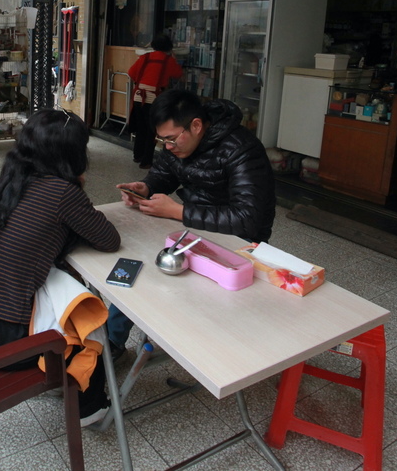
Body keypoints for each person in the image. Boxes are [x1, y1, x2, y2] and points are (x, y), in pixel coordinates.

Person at [0, 109, 120, 426]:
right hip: (7, 340)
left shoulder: (13, 177)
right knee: (88, 320)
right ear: (74, 154)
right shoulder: (63, 192)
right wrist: (77, 187)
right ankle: (89, 409)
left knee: (65, 290)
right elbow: (108, 239)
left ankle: (65, 377)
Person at [110, 89, 275, 359]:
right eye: (162, 140)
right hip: (194, 230)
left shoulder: (242, 149)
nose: (168, 146)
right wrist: (147, 187)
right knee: (138, 272)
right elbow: (164, 173)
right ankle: (111, 343)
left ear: (196, 126)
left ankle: (214, 353)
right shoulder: (176, 144)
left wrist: (179, 212)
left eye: (171, 139)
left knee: (168, 282)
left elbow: (248, 219)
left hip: (241, 243)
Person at [127, 34, 183, 169]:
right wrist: (174, 58)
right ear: (168, 47)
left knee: (141, 129)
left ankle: (137, 155)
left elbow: (131, 73)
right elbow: (178, 74)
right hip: (154, 98)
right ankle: (146, 161)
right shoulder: (168, 60)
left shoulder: (145, 57)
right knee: (152, 130)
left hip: (139, 96)